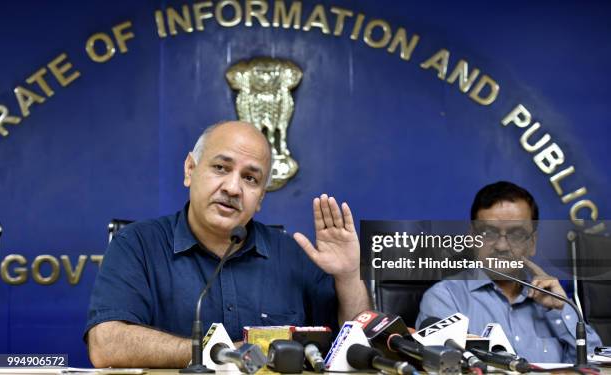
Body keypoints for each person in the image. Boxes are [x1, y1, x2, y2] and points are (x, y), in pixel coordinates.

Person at [85, 121, 371, 368]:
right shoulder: (138, 245)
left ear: (260, 198)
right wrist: (218, 353)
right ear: (189, 170)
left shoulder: (294, 257)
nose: (233, 188)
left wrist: (347, 276)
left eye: (250, 178)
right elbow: (106, 344)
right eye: (221, 168)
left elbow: (355, 346)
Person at [416, 181, 602, 363]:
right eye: (489, 233)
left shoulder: (552, 302)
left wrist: (562, 308)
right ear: (472, 238)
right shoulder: (445, 298)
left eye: (516, 234)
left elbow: (595, 367)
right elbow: (445, 366)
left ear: (532, 243)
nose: (502, 246)